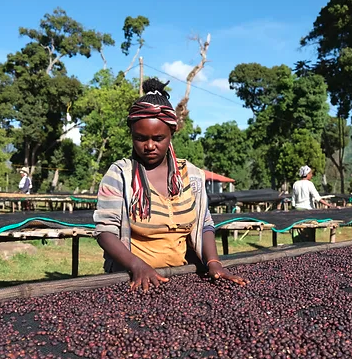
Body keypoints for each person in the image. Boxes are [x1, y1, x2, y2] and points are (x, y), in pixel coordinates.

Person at [93, 78, 249, 292]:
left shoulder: (191, 175)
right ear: (131, 135)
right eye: (140, 138)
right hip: (133, 279)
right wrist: (137, 266)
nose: (149, 146)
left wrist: (214, 263)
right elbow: (105, 231)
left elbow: (204, 224)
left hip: (181, 278)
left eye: (158, 138)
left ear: (171, 135)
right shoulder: (120, 175)